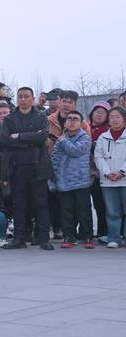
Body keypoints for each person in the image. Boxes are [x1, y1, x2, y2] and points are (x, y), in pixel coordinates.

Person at [1, 87, 54, 251]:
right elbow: (5, 140)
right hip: (17, 168)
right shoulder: (10, 119)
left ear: (32, 99)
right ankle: (19, 238)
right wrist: (32, 138)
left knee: (41, 203)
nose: (23, 99)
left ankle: (44, 239)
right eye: (20, 97)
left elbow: (42, 136)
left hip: (38, 167)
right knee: (18, 204)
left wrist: (18, 136)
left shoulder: (41, 117)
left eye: (26, 97)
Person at [46, 90, 91, 239]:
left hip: (79, 174)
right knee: (63, 207)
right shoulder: (49, 120)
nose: (66, 104)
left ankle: (85, 235)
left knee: (82, 208)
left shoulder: (84, 126)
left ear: (75, 104)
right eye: (64, 101)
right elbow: (52, 153)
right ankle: (65, 233)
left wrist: (62, 140)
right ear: (59, 102)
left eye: (70, 102)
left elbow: (83, 151)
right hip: (61, 172)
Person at [51, 110, 94, 249]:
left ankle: (88, 236)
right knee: (66, 211)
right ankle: (69, 236)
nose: (71, 121)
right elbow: (55, 160)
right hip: (63, 181)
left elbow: (75, 151)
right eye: (69, 119)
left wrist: (63, 140)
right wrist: (54, 177)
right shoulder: (61, 140)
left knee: (84, 211)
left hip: (81, 181)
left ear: (81, 123)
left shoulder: (85, 138)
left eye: (75, 119)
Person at [94, 106, 126, 248]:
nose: (114, 120)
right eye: (111, 117)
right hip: (108, 180)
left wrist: (122, 172)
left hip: (124, 179)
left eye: (117, 117)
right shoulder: (103, 137)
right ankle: (114, 238)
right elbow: (98, 156)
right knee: (112, 211)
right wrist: (107, 172)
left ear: (124, 119)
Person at [89, 101, 111, 240]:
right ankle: (98, 231)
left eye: (103, 113)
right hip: (86, 172)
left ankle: (106, 231)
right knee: (96, 204)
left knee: (105, 204)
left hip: (103, 172)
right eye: (97, 111)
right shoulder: (85, 126)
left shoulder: (108, 130)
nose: (99, 114)